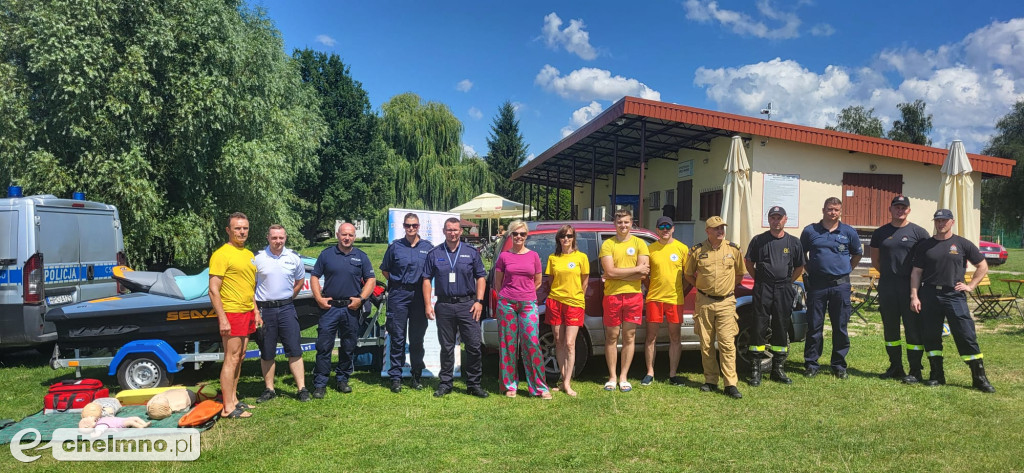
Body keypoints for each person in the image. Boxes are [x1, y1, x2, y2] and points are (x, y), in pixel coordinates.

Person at [910, 209, 994, 393]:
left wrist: (970, 285)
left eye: (944, 221)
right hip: (930, 294)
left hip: (954, 295)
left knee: (966, 334)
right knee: (931, 335)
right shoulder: (925, 245)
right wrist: (914, 296)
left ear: (952, 222)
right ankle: (936, 374)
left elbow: (982, 266)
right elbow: (916, 272)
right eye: (938, 221)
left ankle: (979, 378)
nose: (941, 224)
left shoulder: (962, 243)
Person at [422, 217, 489, 398]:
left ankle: (473, 384)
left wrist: (479, 301)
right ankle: (445, 383)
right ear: (444, 231)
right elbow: (426, 279)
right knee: (447, 347)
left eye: (455, 230)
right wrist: (428, 304)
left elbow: (481, 277)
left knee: (474, 346)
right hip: (444, 305)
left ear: (461, 232)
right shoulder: (435, 253)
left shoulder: (471, 252)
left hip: (468, 305)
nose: (452, 233)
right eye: (449, 230)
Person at [310, 223, 376, 399]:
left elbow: (371, 279)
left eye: (351, 235)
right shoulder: (326, 255)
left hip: (351, 308)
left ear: (354, 237)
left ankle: (342, 379)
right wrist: (318, 298)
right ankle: (320, 383)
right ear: (338, 235)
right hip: (329, 308)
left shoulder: (361, 256)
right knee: (324, 346)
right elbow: (314, 276)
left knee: (348, 346)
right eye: (344, 234)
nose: (347, 238)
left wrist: (361, 299)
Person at [869, 195, 931, 383]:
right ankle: (895, 366)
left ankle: (915, 370)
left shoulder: (919, 233)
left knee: (913, 329)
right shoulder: (880, 233)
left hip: (910, 287)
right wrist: (891, 274)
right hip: (887, 286)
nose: (900, 210)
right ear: (891, 209)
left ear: (909, 210)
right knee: (890, 330)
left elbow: (926, 261)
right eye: (896, 207)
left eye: (903, 207)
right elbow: (875, 261)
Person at [800, 197, 862, 379]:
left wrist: (847, 269)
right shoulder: (810, 231)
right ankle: (811, 364)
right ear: (823, 210)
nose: (832, 212)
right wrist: (809, 269)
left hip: (840, 286)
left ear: (840, 211)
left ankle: (839, 364)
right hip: (817, 285)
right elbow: (801, 253)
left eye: (836, 209)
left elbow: (857, 253)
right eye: (829, 209)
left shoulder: (848, 232)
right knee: (814, 326)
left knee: (840, 326)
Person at [685, 216, 745, 399]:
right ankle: (710, 380)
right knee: (706, 344)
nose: (720, 231)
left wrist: (725, 290)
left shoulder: (733, 250)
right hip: (704, 302)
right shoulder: (697, 251)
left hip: (726, 303)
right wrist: (703, 289)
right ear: (708, 231)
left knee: (727, 344)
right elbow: (688, 274)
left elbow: (740, 274)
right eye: (716, 228)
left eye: (722, 228)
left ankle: (730, 384)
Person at [744, 206, 804, 386]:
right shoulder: (758, 240)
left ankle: (778, 369)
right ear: (768, 220)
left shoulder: (794, 242)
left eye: (779, 217)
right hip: (763, 287)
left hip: (783, 288)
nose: (776, 221)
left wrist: (787, 282)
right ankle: (756, 370)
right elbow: (749, 262)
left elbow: (800, 266)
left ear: (786, 219)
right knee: (758, 326)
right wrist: (760, 280)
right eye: (773, 217)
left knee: (781, 326)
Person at [209, 212, 259, 418]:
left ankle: (234, 399)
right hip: (232, 312)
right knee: (231, 358)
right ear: (228, 230)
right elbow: (213, 289)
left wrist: (255, 310)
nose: (242, 232)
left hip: (247, 311)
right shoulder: (221, 254)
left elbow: (249, 286)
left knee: (240, 356)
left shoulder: (248, 254)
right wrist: (222, 318)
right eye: (237, 228)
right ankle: (227, 407)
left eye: (245, 228)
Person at [493, 220, 549, 399]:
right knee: (508, 345)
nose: (518, 237)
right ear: (510, 235)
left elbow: (538, 281)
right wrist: (506, 296)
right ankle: (509, 385)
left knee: (532, 343)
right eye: (515, 234)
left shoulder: (533, 256)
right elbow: (498, 282)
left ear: (526, 236)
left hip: (528, 305)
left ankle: (539, 387)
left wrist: (526, 293)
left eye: (522, 234)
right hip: (507, 304)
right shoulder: (504, 257)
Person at [254, 225, 309, 403]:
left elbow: (300, 280)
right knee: (267, 351)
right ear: (268, 238)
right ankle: (269, 389)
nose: (278, 241)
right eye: (274, 238)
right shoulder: (258, 259)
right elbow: (250, 287)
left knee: (294, 349)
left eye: (281, 238)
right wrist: (256, 311)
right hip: (265, 310)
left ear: (286, 238)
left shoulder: (293, 258)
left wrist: (288, 297)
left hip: (286, 308)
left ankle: (301, 389)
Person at [599, 209, 650, 393]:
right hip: (612, 296)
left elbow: (644, 273)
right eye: (620, 222)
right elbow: (609, 271)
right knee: (612, 336)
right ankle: (612, 377)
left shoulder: (640, 243)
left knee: (629, 336)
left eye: (627, 222)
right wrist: (633, 271)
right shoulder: (607, 244)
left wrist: (616, 274)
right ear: (615, 224)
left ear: (631, 223)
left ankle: (623, 377)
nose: (623, 226)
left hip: (633, 296)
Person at [380, 213, 431, 393]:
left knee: (417, 338)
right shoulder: (395, 247)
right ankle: (396, 377)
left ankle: (416, 375)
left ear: (418, 227)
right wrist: (398, 282)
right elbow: (385, 270)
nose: (411, 228)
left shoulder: (427, 247)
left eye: (414, 225)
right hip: (398, 295)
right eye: (408, 225)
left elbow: (430, 273)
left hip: (418, 295)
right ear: (403, 226)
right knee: (398, 337)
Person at [642, 216, 689, 387]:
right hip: (654, 298)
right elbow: (644, 276)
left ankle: (673, 374)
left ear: (673, 229)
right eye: (661, 227)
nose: (665, 229)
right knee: (651, 337)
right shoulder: (650, 249)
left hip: (675, 300)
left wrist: (680, 291)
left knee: (675, 337)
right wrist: (651, 287)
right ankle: (650, 372)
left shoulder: (682, 249)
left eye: (668, 226)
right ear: (657, 230)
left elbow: (688, 276)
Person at [544, 224, 589, 397]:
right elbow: (550, 281)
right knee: (558, 341)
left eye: (569, 236)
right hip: (555, 302)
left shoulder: (581, 257)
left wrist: (579, 298)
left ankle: (567, 383)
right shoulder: (553, 258)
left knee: (570, 343)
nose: (566, 239)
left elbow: (585, 281)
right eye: (563, 237)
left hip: (575, 304)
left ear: (573, 238)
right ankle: (563, 380)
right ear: (558, 239)